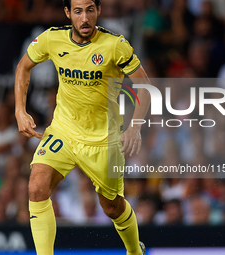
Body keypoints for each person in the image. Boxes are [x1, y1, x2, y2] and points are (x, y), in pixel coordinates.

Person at [14, 0, 150, 254]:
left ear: (98, 10)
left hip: (103, 140)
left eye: (90, 10)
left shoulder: (115, 45)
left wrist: (135, 127)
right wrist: (20, 110)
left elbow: (145, 86)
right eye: (78, 11)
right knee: (36, 187)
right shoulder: (51, 39)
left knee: (112, 207)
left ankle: (134, 250)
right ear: (68, 13)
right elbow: (23, 66)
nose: (85, 18)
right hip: (63, 131)